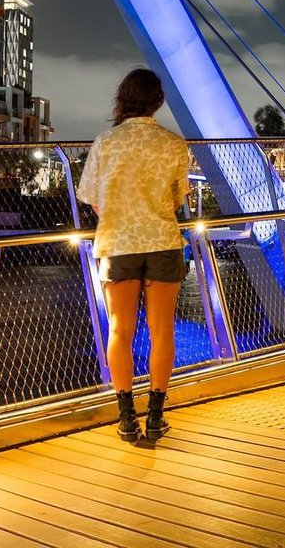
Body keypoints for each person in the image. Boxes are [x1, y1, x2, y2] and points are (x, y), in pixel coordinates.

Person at [77, 67, 190, 443]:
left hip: (118, 244)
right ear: (157, 101)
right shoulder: (174, 143)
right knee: (162, 330)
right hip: (162, 241)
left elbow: (94, 200)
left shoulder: (106, 142)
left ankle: (126, 416)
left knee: (120, 330)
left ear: (122, 98)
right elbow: (177, 199)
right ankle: (156, 414)